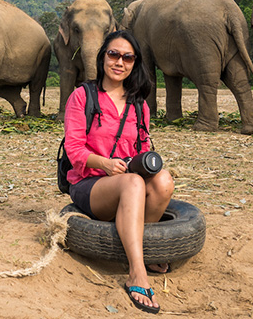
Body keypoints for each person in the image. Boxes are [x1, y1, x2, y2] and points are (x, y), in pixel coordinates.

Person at [63, 30, 174, 314]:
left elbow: (144, 144)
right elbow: (74, 150)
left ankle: (140, 251)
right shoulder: (82, 97)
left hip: (126, 179)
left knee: (163, 181)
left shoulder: (139, 104)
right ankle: (137, 273)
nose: (119, 62)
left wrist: (140, 160)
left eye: (128, 57)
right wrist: (105, 164)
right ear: (102, 58)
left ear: (134, 63)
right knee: (134, 184)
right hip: (90, 183)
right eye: (113, 54)